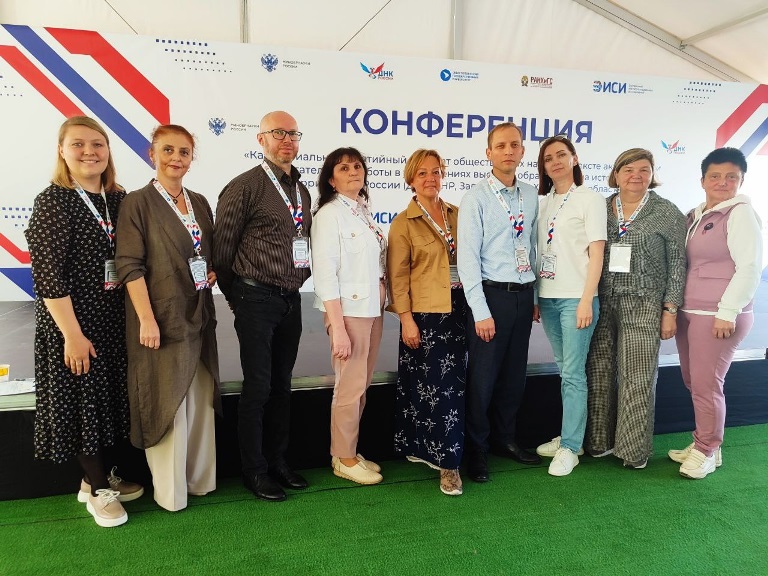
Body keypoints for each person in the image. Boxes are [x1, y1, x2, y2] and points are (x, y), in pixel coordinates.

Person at [25, 115, 143, 528]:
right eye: (78, 144)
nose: (89, 152)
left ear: (108, 151)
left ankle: (95, 477)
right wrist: (72, 336)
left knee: (104, 405)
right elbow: (48, 277)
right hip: (73, 326)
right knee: (81, 406)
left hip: (111, 321)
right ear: (62, 150)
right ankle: (98, 491)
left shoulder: (118, 199)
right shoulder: (53, 201)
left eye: (98, 144)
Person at [116, 124, 220, 512]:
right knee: (168, 401)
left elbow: (204, 252)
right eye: (168, 150)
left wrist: (210, 272)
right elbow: (129, 265)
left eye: (184, 152)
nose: (176, 158)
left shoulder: (200, 202)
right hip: (159, 316)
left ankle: (199, 481)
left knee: (200, 398)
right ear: (152, 154)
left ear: (192, 159)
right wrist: (146, 318)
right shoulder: (137, 203)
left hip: (199, 312)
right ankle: (171, 493)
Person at [213, 111, 311, 502]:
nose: (287, 140)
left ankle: (278, 461)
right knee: (258, 388)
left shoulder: (301, 190)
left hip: (291, 299)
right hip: (255, 298)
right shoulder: (244, 187)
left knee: (282, 386)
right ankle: (254, 470)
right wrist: (237, 297)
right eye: (278, 133)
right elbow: (222, 251)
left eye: (293, 134)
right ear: (261, 139)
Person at [586, 148, 687, 469]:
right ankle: (599, 441)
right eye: (628, 169)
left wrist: (670, 309)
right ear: (616, 174)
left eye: (644, 170)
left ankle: (632, 450)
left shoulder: (667, 211)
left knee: (638, 376)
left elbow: (678, 263)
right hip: (602, 300)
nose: (636, 175)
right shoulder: (600, 208)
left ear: (652, 175)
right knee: (599, 372)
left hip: (644, 303)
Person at [669, 147, 763, 479]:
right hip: (690, 310)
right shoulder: (696, 215)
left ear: (741, 180)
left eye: (731, 176)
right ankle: (706, 441)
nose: (723, 182)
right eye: (715, 176)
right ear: (703, 180)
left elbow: (750, 268)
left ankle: (707, 449)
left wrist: (728, 311)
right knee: (694, 381)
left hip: (718, 315)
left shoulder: (740, 213)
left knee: (707, 385)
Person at [457, 122, 541, 483]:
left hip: (523, 295)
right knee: (483, 379)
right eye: (501, 146)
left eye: (515, 145)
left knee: (513, 376)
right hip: (491, 298)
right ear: (489, 153)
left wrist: (535, 295)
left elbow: (533, 247)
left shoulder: (531, 194)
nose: (509, 151)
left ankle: (505, 439)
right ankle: (476, 448)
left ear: (522, 152)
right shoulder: (475, 198)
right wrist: (480, 311)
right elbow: (467, 259)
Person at [388, 149, 467, 496]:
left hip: (460, 310)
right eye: (422, 173)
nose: (430, 178)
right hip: (424, 315)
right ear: (411, 179)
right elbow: (397, 277)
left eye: (436, 172)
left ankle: (429, 449)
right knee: (431, 389)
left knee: (448, 389)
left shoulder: (458, 215)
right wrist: (406, 320)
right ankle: (449, 464)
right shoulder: (403, 223)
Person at [311, 147, 386, 485]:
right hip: (349, 313)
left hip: (372, 310)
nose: (353, 171)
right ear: (331, 179)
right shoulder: (329, 214)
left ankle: (351, 450)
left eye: (357, 166)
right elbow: (325, 274)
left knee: (360, 385)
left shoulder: (362, 211)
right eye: (344, 168)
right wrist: (338, 328)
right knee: (349, 387)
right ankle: (342, 457)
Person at [533, 136, 606, 477]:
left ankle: (572, 447)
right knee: (565, 371)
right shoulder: (543, 202)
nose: (556, 162)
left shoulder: (590, 199)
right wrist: (536, 298)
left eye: (562, 155)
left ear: (574, 159)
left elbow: (597, 252)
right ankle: (568, 435)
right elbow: (538, 253)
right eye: (549, 158)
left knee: (574, 374)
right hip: (548, 297)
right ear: (543, 167)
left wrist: (587, 299)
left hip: (577, 298)